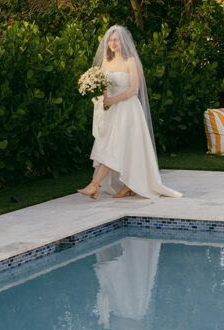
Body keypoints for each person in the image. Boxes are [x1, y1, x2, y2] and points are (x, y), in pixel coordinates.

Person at [77, 25, 182, 200]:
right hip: (110, 111)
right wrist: (101, 99)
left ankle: (95, 185)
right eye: (110, 40)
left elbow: (133, 89)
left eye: (115, 40)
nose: (112, 43)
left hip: (128, 110)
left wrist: (112, 100)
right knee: (110, 146)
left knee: (116, 147)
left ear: (123, 41)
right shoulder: (106, 61)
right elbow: (103, 84)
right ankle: (123, 186)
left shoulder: (131, 61)